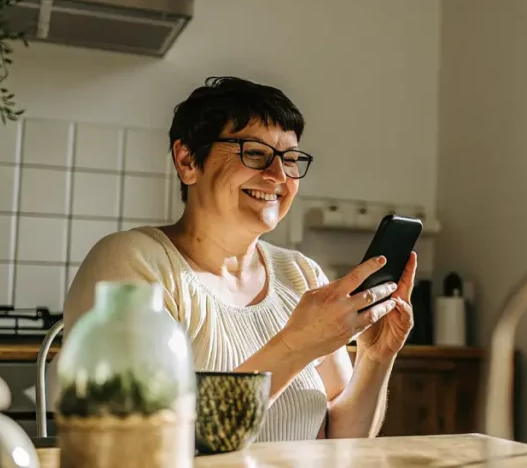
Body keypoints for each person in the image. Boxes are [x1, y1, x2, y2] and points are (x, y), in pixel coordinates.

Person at [59, 76, 417, 442]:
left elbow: (342, 444)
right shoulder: (133, 262)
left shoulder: (302, 274)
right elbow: (139, 441)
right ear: (187, 161)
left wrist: (375, 358)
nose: (277, 175)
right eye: (254, 153)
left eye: (290, 158)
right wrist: (296, 346)